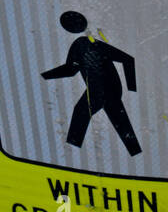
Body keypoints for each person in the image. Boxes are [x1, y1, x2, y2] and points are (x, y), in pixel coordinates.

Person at [41, 11, 141, 156]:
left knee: (82, 112)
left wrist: (132, 88)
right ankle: (134, 151)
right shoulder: (81, 44)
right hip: (108, 89)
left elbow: (127, 59)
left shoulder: (88, 43)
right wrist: (45, 76)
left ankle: (71, 151)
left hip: (102, 88)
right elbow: (71, 69)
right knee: (120, 122)